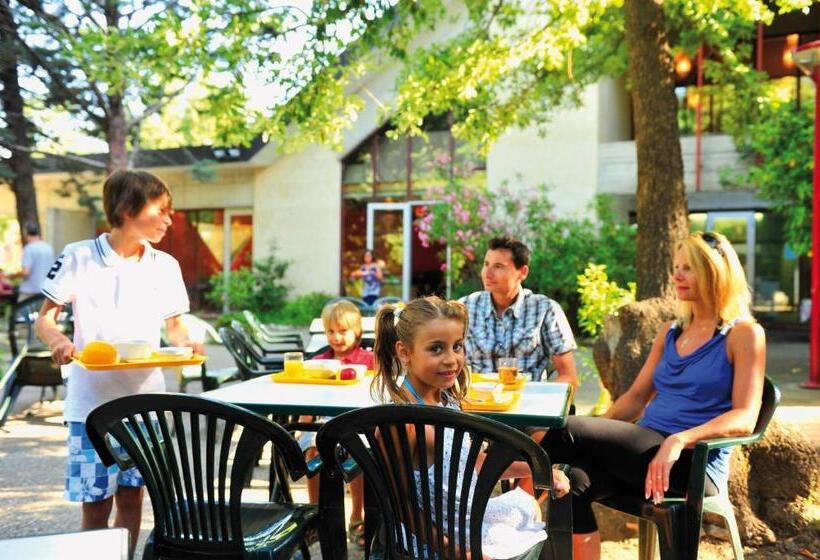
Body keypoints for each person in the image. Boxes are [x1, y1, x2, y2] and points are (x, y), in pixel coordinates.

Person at [535, 231, 766, 560]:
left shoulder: (744, 334)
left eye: (689, 267)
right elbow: (636, 398)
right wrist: (590, 433)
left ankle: (498, 486)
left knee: (566, 430)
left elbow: (745, 418)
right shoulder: (671, 332)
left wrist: (679, 440)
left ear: (716, 271)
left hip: (691, 466)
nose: (677, 275)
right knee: (572, 482)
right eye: (676, 266)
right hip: (645, 452)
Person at [34, 169, 203, 559]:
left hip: (145, 407)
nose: (168, 219)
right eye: (160, 210)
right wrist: (59, 340)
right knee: (95, 507)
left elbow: (174, 327)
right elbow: (45, 318)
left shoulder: (165, 265)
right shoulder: (78, 256)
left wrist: (188, 343)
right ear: (128, 209)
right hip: (91, 407)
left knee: (132, 499)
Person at [372, 296, 571, 559]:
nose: (452, 360)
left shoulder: (445, 399)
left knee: (530, 505)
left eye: (457, 346)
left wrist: (538, 471)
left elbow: (471, 462)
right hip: (431, 539)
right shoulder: (399, 422)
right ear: (404, 352)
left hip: (463, 518)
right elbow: (399, 504)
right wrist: (453, 551)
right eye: (436, 349)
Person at [298, 300, 373, 548]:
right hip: (323, 424)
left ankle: (356, 515)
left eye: (343, 331)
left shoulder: (368, 360)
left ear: (358, 332)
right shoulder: (318, 361)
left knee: (358, 453)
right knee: (311, 449)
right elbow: (307, 399)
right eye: (331, 331)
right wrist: (302, 427)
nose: (336, 337)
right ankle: (316, 514)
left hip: (358, 424)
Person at [459, 236, 578, 389]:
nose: (487, 273)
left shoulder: (545, 310)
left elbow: (568, 376)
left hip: (527, 406)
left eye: (498, 266)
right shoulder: (465, 308)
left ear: (522, 272)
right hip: (476, 405)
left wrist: (542, 401)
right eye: (486, 264)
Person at [12, 222, 54, 301]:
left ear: (25, 233)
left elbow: (25, 272)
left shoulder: (29, 248)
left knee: (19, 312)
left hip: (29, 291)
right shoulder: (48, 248)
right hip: (44, 290)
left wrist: (9, 276)